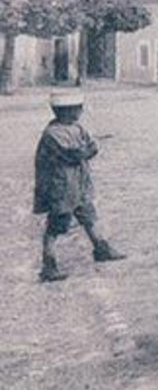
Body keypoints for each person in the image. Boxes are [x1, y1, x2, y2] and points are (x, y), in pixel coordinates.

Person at [33, 91, 125, 283]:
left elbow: (91, 147)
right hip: (61, 188)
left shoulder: (77, 128)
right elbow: (73, 155)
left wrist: (87, 151)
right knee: (56, 226)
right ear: (64, 112)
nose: (80, 112)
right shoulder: (52, 134)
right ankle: (48, 265)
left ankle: (101, 248)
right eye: (77, 109)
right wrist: (86, 151)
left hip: (78, 184)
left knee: (89, 216)